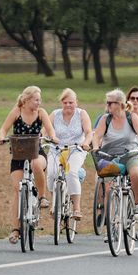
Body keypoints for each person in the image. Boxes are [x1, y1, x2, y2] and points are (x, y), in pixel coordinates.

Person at [0, 86, 58, 244]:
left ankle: (42, 197)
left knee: (36, 164)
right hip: (18, 155)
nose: (39, 102)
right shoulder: (17, 112)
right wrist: (2, 137)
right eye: (36, 99)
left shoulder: (41, 113)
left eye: (40, 99)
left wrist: (53, 138)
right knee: (17, 191)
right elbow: (3, 129)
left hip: (37, 152)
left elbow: (50, 130)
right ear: (26, 100)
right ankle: (15, 229)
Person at [92, 89, 138, 216]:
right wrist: (96, 147)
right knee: (106, 186)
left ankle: (137, 203)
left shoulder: (132, 117)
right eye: (107, 103)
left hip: (131, 154)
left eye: (110, 103)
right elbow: (96, 136)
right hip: (109, 156)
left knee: (135, 174)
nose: (107, 106)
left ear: (120, 104)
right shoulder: (105, 119)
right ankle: (108, 220)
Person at [48, 88, 93, 223]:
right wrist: (43, 138)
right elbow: (45, 130)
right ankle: (54, 203)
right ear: (61, 103)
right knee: (51, 173)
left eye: (71, 102)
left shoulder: (82, 114)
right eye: (65, 102)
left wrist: (86, 143)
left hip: (76, 149)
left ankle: (77, 208)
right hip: (56, 149)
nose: (68, 105)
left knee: (71, 172)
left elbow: (89, 132)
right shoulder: (55, 115)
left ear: (76, 103)